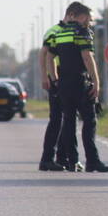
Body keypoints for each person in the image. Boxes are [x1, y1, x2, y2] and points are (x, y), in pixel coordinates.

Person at [48, 2, 108, 173]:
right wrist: (96, 82)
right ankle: (93, 161)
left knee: (69, 122)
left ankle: (72, 161)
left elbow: (49, 57)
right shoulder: (82, 33)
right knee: (89, 121)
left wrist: (55, 80)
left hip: (64, 84)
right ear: (75, 15)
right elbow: (87, 58)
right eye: (86, 17)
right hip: (80, 83)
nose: (89, 20)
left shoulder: (60, 33)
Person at [38, 18, 75, 171]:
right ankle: (47, 158)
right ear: (72, 15)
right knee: (57, 119)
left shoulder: (71, 32)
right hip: (57, 76)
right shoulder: (55, 31)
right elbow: (44, 54)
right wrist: (45, 76)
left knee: (67, 118)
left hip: (65, 76)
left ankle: (61, 157)